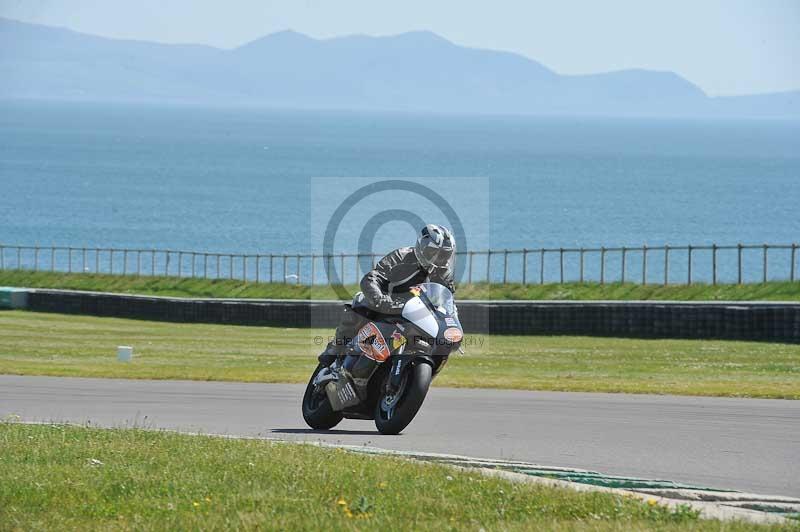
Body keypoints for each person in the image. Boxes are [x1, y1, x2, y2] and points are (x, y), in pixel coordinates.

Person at [319, 224, 456, 366]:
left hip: (415, 315)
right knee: (360, 303)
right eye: (434, 252)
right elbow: (372, 278)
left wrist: (451, 323)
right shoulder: (401, 256)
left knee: (436, 345)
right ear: (422, 248)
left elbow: (448, 300)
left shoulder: (443, 274)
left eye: (445, 254)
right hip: (386, 305)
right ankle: (334, 349)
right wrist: (380, 300)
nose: (439, 259)